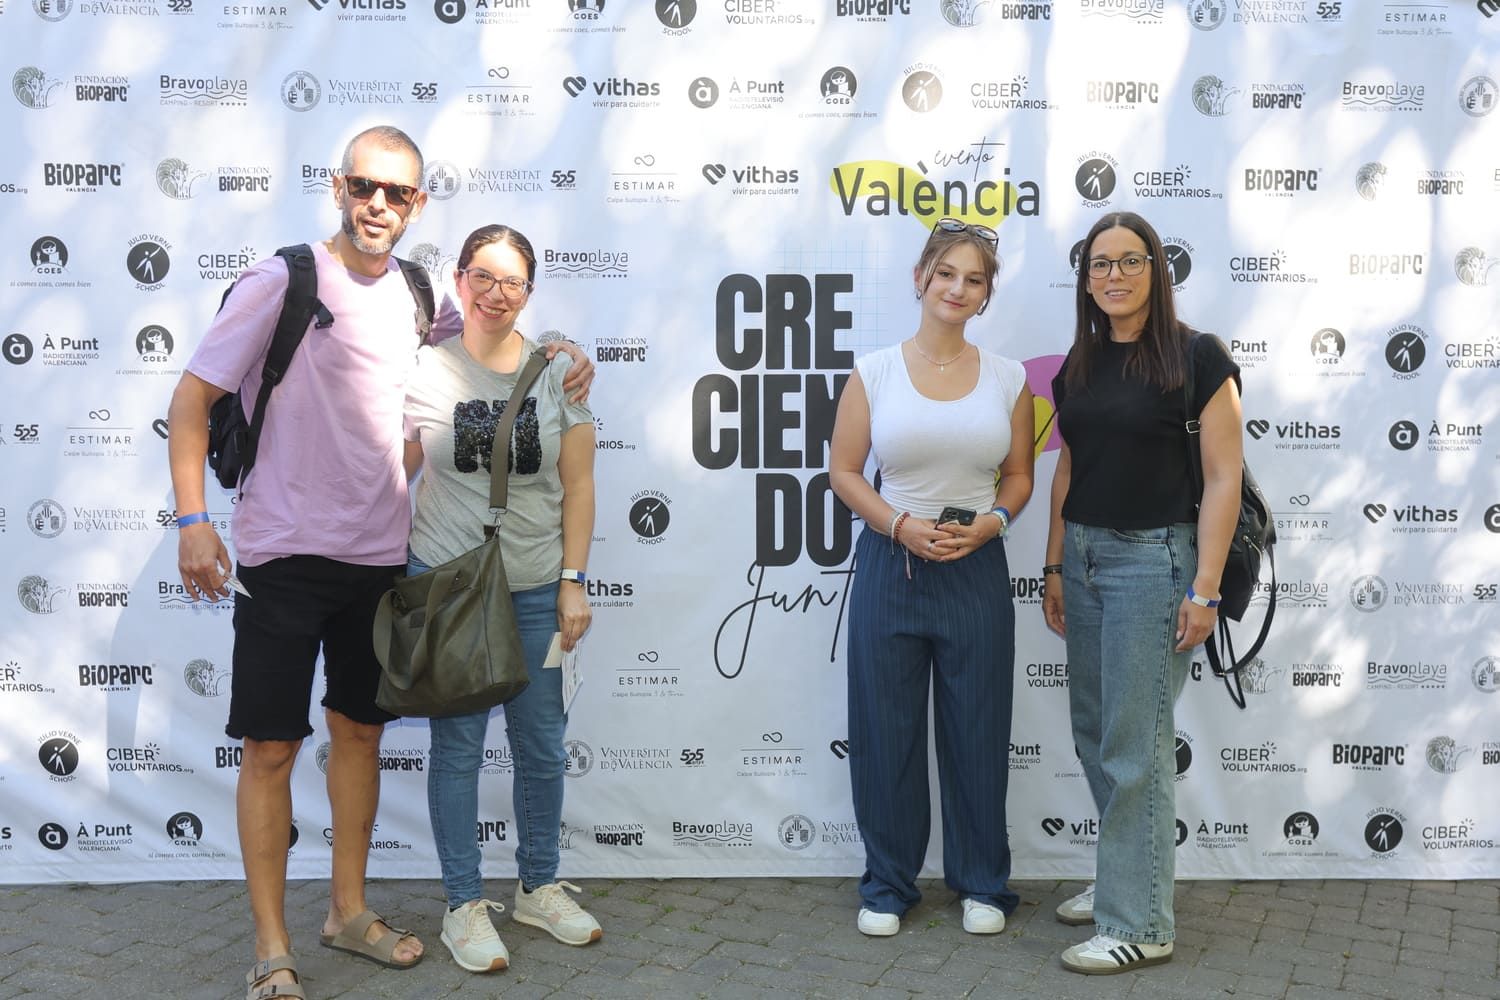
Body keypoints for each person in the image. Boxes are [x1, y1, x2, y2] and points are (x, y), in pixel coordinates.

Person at [166, 126, 592, 1000]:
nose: (378, 205)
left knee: (358, 735)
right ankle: (273, 945)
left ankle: (348, 914)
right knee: (273, 750)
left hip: (379, 562)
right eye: (364, 186)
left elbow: (487, 339)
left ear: (417, 205)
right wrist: (193, 520)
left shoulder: (416, 292)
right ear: (337, 186)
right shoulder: (279, 281)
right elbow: (191, 400)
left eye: (397, 193)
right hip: (282, 557)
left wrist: (565, 351)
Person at [1041, 211, 1242, 974]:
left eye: (1129, 261)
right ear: (1085, 277)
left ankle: (1141, 922)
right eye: (1099, 264)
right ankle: (1122, 880)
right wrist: (1056, 566)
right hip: (1087, 558)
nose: (1113, 276)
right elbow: (1067, 470)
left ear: (1157, 270)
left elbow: (1223, 477)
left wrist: (1207, 589)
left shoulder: (1197, 359)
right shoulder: (1080, 364)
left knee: (1135, 746)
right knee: (1098, 735)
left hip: (1154, 564)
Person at [829, 218, 1035, 938]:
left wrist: (994, 524)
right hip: (892, 565)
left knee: (978, 730)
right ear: (921, 278)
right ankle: (887, 885)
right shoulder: (875, 370)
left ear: (985, 295)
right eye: (946, 272)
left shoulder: (1009, 379)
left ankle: (983, 882)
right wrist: (897, 525)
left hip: (976, 568)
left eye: (974, 279)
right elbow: (844, 470)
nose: (957, 287)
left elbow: (1017, 477)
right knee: (886, 734)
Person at [402, 224, 599, 974]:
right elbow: (389, 470)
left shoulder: (557, 372)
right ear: (458, 281)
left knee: (542, 747)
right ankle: (461, 903)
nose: (495, 293)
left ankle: (539, 886)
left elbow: (578, 486)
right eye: (482, 277)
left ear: (529, 293)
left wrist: (574, 581)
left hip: (538, 587)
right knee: (457, 749)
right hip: (449, 592)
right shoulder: (423, 370)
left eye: (512, 281)